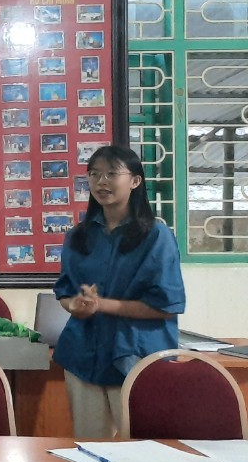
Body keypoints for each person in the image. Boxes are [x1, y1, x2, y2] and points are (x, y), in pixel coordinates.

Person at [54, 145, 184, 439]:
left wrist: (101, 305)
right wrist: (74, 306)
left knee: (140, 451)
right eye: (94, 174)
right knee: (89, 451)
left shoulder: (156, 236)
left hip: (136, 355)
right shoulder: (78, 236)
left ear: (135, 181)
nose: (101, 181)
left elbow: (166, 305)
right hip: (83, 355)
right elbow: (65, 291)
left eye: (112, 174)